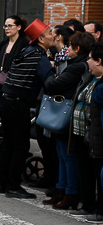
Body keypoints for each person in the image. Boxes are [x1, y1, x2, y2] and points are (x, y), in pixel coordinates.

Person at [0, 19, 53, 198]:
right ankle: (13, 186)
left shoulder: (25, 52)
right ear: (41, 39)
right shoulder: (40, 57)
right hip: (18, 103)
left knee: (9, 144)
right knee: (21, 146)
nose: (53, 36)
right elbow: (50, 84)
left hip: (6, 100)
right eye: (50, 33)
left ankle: (2, 184)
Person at [41, 30, 93, 210]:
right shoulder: (76, 64)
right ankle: (61, 189)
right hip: (67, 111)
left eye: (70, 46)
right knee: (62, 154)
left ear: (77, 48)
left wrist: (49, 75)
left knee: (67, 155)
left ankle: (69, 192)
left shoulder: (77, 66)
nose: (67, 48)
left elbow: (53, 85)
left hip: (68, 112)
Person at [71, 44, 103, 222]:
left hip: (96, 134)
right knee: (85, 170)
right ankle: (88, 204)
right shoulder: (89, 77)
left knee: (98, 173)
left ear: (99, 61)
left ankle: (98, 209)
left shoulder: (100, 84)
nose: (88, 61)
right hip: (81, 132)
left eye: (91, 58)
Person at [0, 15, 29, 104]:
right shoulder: (3, 44)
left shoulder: (24, 45)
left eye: (10, 26)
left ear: (19, 27)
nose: (7, 28)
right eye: (5, 26)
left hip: (14, 86)